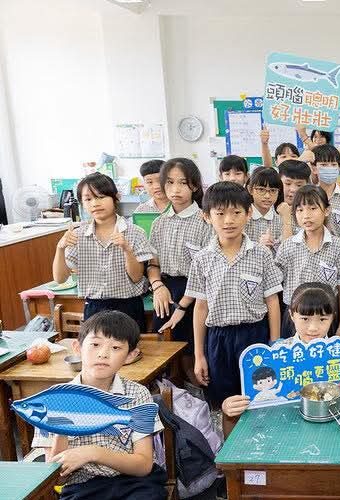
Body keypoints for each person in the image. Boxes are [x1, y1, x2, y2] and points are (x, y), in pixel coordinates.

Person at [33, 311, 166, 500]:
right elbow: (56, 479)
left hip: (134, 483)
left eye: (116, 347)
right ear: (77, 347)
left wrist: (93, 453)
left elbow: (143, 465)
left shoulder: (137, 394)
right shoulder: (51, 400)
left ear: (131, 356)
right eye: (95, 344)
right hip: (81, 488)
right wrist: (61, 425)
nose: (103, 354)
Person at [221, 283, 340, 419]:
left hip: (332, 422)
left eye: (322, 319)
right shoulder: (277, 354)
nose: (313, 328)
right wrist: (231, 406)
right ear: (292, 315)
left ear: (332, 317)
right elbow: (259, 402)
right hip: (288, 424)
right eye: (305, 319)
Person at [184, 181, 283, 407]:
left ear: (248, 214)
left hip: (254, 335)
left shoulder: (261, 254)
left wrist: (275, 344)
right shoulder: (202, 259)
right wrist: (199, 355)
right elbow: (200, 307)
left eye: (236, 212)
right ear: (207, 217)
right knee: (225, 403)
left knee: (260, 397)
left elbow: (272, 301)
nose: (228, 220)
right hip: (218, 339)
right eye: (220, 214)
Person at [53, 173, 155, 332]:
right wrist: (60, 249)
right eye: (88, 199)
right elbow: (60, 278)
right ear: (82, 203)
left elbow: (136, 277)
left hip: (128, 306)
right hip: (94, 307)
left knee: (130, 348)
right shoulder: (78, 234)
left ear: (116, 197)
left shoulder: (135, 232)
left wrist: (127, 249)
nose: (95, 203)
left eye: (101, 197)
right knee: (96, 347)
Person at [146, 158, 213, 384]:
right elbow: (153, 264)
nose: (175, 189)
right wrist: (157, 286)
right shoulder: (159, 223)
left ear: (194, 185)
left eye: (183, 183)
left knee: (192, 350)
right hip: (165, 290)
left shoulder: (205, 221)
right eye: (170, 182)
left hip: (197, 292)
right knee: (164, 349)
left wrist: (183, 305)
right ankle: (172, 392)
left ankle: (195, 392)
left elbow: (205, 272)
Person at [275, 185, 340, 338]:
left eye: (312, 208)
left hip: (325, 317)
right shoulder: (287, 246)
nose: (306, 216)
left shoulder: (338, 247)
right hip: (295, 317)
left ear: (326, 210)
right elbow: (275, 284)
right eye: (300, 210)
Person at [310, 144, 340, 246]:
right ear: (314, 168)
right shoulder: (308, 197)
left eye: (333, 164)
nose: (329, 168)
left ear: (339, 167)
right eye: (324, 165)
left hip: (339, 252)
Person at [244, 166, 283, 252]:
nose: (267, 196)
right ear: (250, 190)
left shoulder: (281, 218)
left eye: (273, 190)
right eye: (261, 190)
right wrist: (258, 246)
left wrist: (274, 244)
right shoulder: (243, 217)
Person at [276, 159, 312, 239]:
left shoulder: (310, 214)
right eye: (288, 183)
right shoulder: (268, 208)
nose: (293, 189)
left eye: (299, 185)